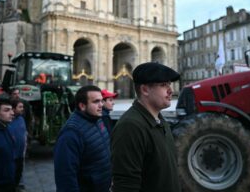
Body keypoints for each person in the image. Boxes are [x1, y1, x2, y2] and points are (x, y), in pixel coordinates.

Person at [111, 62, 181, 192]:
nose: (171, 90)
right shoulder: (130, 126)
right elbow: (126, 184)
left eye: (169, 84)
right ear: (145, 90)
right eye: (163, 85)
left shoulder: (159, 120)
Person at [54, 85, 111, 192]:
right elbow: (66, 175)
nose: (101, 105)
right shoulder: (71, 133)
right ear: (82, 106)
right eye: (96, 102)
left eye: (102, 101)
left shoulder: (98, 119)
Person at [8, 99, 27, 192]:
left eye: (22, 107)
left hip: (20, 155)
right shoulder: (8, 120)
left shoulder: (21, 119)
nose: (22, 109)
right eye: (20, 107)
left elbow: (23, 134)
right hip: (11, 156)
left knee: (18, 176)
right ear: (14, 108)